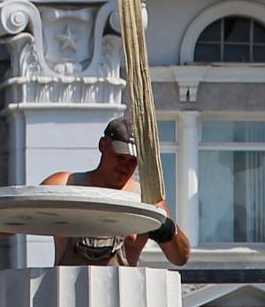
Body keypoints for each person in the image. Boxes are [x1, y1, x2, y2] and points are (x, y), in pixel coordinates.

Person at [39, 115, 192, 268]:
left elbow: (180, 258)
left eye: (132, 160)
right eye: (119, 157)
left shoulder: (146, 199)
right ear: (103, 145)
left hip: (122, 290)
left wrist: (167, 230)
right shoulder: (65, 186)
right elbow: (17, 219)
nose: (125, 165)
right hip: (67, 289)